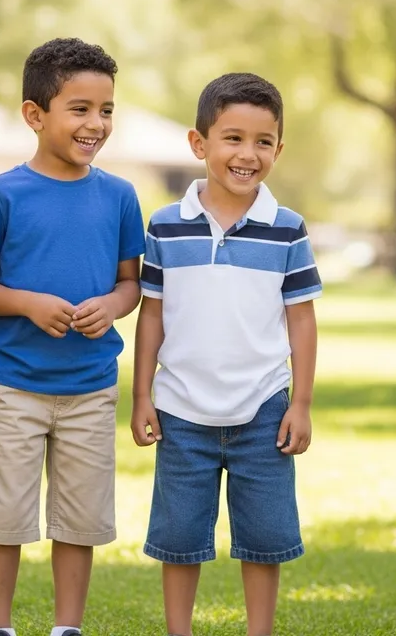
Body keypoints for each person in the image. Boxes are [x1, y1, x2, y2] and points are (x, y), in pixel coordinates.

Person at [132, 72, 322, 636]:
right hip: (180, 408)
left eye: (263, 142)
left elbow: (302, 320)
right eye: (233, 138)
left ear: (279, 150)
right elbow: (153, 314)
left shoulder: (287, 230)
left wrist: (302, 402)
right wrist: (142, 394)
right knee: (179, 536)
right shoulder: (166, 224)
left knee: (264, 538)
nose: (248, 154)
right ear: (200, 144)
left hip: (264, 407)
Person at [0, 38, 145, 636]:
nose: (96, 123)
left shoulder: (119, 196)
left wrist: (112, 307)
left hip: (90, 386)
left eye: (107, 110)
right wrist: (29, 304)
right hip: (14, 384)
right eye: (80, 108)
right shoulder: (1, 193)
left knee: (80, 518)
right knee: (4, 516)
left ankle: (67, 626)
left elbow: (131, 285)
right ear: (34, 114)